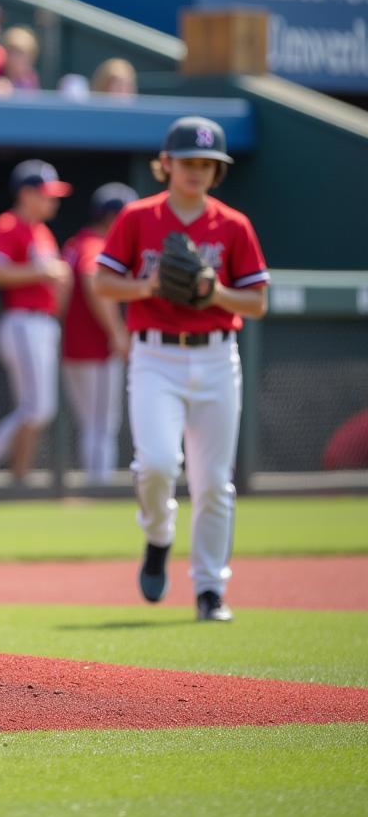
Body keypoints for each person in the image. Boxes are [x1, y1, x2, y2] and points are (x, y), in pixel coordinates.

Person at [94, 117, 270, 622]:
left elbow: (256, 302)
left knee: (214, 482)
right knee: (155, 465)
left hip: (217, 354)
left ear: (217, 171)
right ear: (166, 164)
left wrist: (214, 292)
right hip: (156, 356)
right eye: (188, 161)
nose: (196, 171)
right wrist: (149, 285)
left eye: (207, 164)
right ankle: (158, 535)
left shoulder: (233, 225)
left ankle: (210, 590)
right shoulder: (137, 217)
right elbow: (104, 285)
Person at [0, 160, 72, 483]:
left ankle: (8, 470)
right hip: (22, 320)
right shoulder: (8, 225)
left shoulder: (43, 232)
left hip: (43, 322)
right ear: (26, 194)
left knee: (38, 408)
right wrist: (41, 272)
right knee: (37, 408)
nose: (53, 200)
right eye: (46, 194)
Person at [61, 183, 137, 485]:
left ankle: (96, 485)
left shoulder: (76, 242)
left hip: (75, 347)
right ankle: (99, 488)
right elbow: (94, 280)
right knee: (101, 425)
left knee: (93, 425)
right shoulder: (95, 244)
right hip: (95, 348)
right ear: (111, 216)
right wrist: (117, 332)